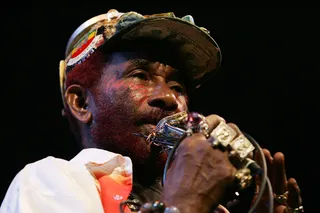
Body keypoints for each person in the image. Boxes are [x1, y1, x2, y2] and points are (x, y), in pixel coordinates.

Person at [2, 9, 304, 213]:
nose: (170, 99)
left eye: (178, 87)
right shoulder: (49, 180)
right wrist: (187, 203)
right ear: (81, 103)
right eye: (140, 76)